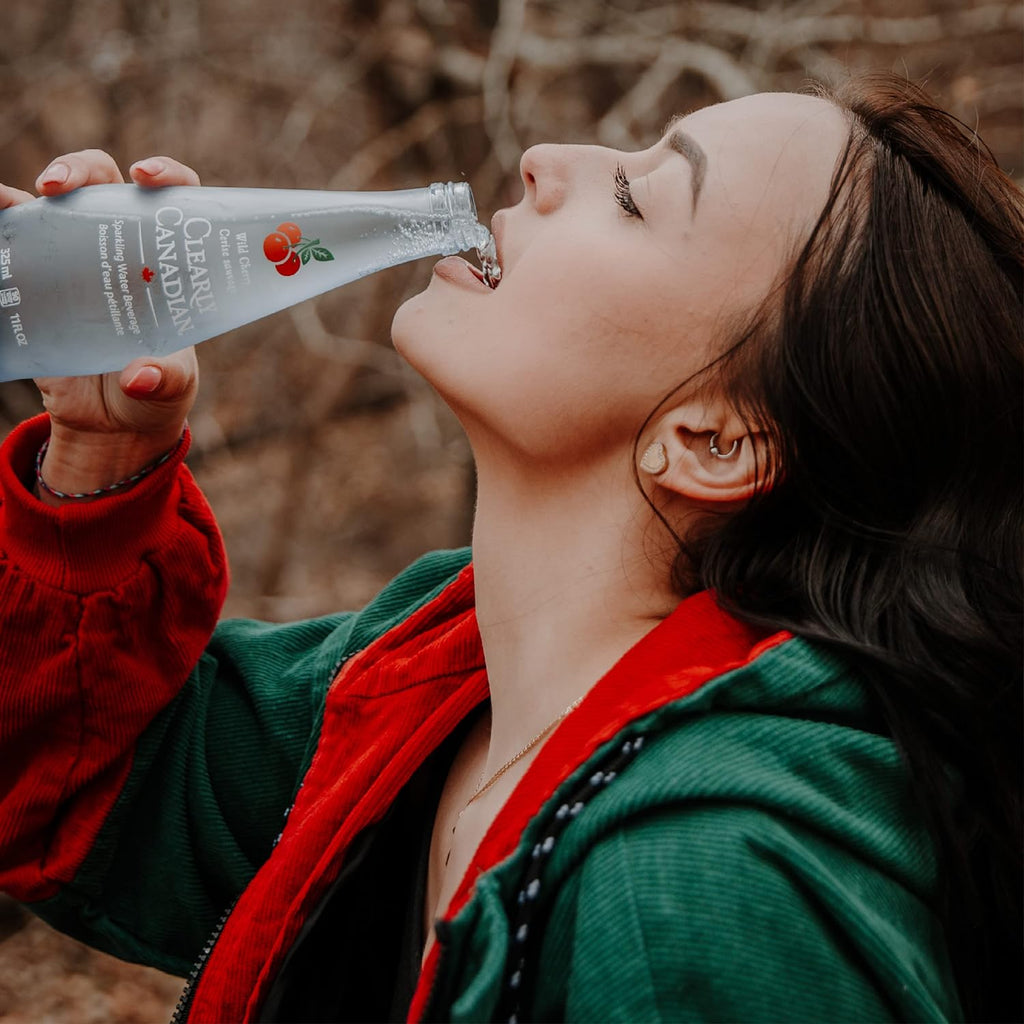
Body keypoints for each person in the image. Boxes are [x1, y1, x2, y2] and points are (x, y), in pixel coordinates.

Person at [0, 72, 1019, 1023]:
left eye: (635, 198)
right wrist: (97, 462)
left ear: (713, 442)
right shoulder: (430, 676)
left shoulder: (699, 896)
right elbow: (87, 784)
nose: (544, 156)